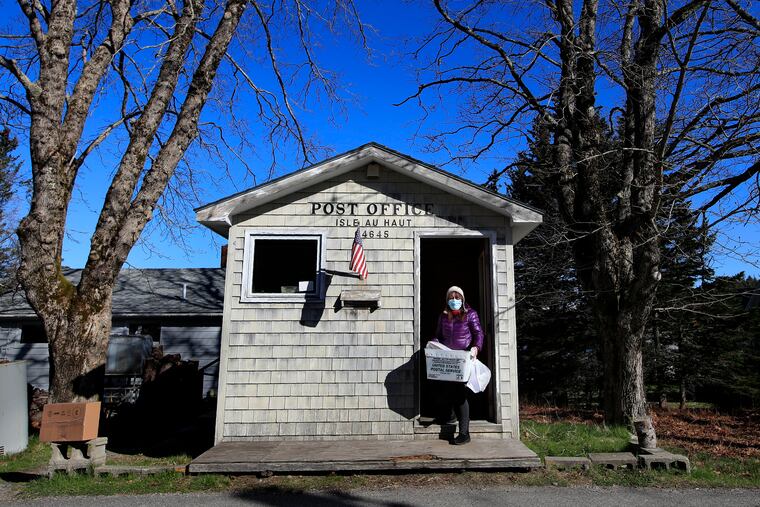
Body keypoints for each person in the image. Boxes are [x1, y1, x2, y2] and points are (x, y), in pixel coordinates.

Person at [431, 285, 484, 445]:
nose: (454, 301)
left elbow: (478, 333)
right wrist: (434, 343)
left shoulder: (470, 315)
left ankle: (464, 433)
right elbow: (438, 335)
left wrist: (476, 347)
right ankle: (450, 417)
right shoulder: (443, 316)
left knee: (460, 394)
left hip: (463, 359)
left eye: (457, 298)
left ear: (462, 299)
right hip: (447, 360)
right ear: (447, 300)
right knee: (446, 390)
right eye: (451, 298)